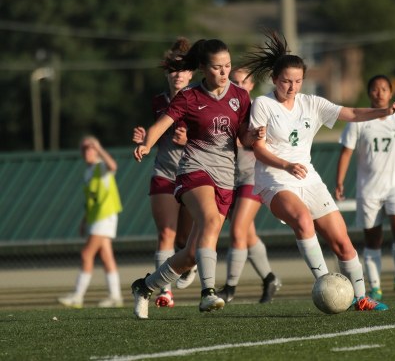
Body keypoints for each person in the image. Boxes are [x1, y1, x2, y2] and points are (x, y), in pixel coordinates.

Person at [241, 30, 395, 311]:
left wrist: (385, 111)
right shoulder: (263, 104)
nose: (292, 87)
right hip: (275, 179)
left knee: (343, 242)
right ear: (274, 79)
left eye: (297, 81)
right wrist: (286, 165)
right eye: (286, 81)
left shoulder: (311, 103)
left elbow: (352, 114)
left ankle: (361, 297)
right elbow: (257, 148)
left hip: (308, 178)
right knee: (303, 221)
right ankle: (325, 284)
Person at [130, 38, 261, 319]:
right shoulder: (189, 97)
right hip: (194, 170)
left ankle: (145, 287)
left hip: (227, 176)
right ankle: (208, 293)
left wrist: (255, 136)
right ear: (203, 68)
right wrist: (146, 144)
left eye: (227, 65)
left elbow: (243, 137)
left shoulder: (241, 96)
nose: (224, 72)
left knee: (190, 254)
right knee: (211, 221)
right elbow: (161, 124)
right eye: (217, 67)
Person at [335, 75, 395, 301]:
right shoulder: (359, 120)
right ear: (369, 93)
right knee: (372, 240)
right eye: (375, 89)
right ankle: (376, 286)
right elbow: (346, 151)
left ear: (391, 93)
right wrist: (339, 181)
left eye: (384, 89)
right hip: (368, 189)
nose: (379, 93)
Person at [131, 37, 197, 309]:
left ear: (191, 72)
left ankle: (187, 264)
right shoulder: (159, 100)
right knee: (166, 233)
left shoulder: (198, 97)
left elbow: (213, 136)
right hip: (165, 172)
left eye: (183, 69)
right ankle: (164, 292)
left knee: (185, 240)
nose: (177, 74)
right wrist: (144, 139)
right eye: (172, 69)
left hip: (194, 173)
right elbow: (157, 131)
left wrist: (188, 140)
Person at [216, 67, 281, 304]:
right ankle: (270, 278)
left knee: (237, 231)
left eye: (244, 82)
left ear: (252, 85)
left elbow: (264, 141)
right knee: (248, 235)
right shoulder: (221, 106)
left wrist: (252, 137)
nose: (239, 85)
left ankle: (230, 288)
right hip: (227, 177)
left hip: (252, 176)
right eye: (235, 81)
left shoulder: (257, 109)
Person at [58, 136, 123, 308]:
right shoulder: (88, 171)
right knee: (106, 257)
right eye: (85, 148)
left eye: (90, 148)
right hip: (96, 217)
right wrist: (84, 220)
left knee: (86, 254)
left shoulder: (100, 166)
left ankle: (78, 296)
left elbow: (113, 166)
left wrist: (99, 148)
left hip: (105, 216)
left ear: (96, 150)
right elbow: (90, 200)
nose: (87, 151)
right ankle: (115, 297)